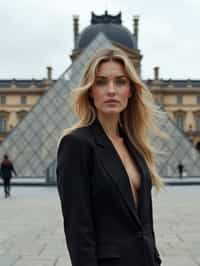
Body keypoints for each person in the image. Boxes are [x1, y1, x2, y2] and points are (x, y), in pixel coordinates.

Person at [56, 47, 168, 266]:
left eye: (120, 82)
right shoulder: (76, 144)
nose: (111, 90)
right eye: (101, 82)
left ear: (131, 90)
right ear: (90, 91)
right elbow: (78, 230)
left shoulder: (135, 145)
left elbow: (143, 223)